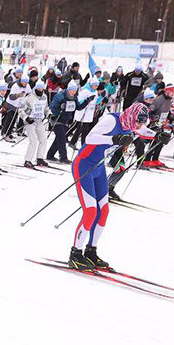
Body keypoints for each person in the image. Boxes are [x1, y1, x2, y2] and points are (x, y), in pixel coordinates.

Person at [68, 103, 155, 271]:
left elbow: (144, 131)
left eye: (141, 123)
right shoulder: (111, 120)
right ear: (131, 116)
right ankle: (75, 254)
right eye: (138, 122)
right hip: (84, 166)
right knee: (90, 212)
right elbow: (90, 138)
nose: (139, 126)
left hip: (99, 168)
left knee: (104, 211)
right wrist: (113, 139)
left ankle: (91, 251)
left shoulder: (131, 125)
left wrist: (158, 136)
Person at [19, 80, 50, 167]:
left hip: (39, 121)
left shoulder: (44, 96)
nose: (40, 90)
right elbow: (20, 110)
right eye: (39, 88)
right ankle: (27, 160)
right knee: (33, 141)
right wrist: (26, 118)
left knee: (43, 139)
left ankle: (40, 158)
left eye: (42, 88)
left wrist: (49, 113)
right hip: (30, 122)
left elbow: (45, 108)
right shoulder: (29, 97)